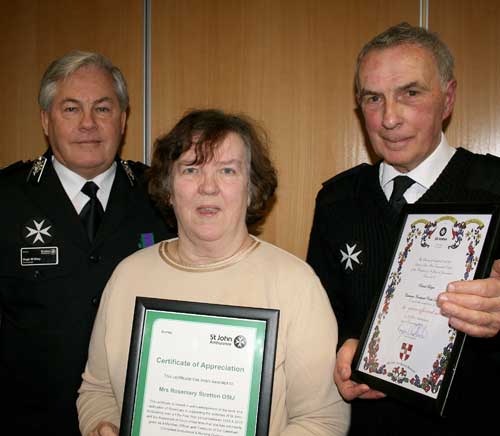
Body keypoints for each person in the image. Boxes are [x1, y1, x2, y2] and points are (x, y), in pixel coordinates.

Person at [76, 109, 350, 436]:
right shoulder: (128, 276)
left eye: (227, 170)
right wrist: (100, 425)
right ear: (167, 187)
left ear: (251, 188)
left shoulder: (296, 285)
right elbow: (97, 390)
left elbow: (322, 421)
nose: (208, 187)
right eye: (191, 169)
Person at [307, 22, 500, 435]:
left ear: (447, 99)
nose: (389, 118)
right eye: (373, 98)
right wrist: (340, 351)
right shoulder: (336, 201)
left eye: (410, 94)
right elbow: (321, 317)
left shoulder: (497, 187)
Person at [0, 51, 173, 435]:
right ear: (46, 120)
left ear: (124, 119)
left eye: (103, 109)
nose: (88, 124)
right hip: (27, 419)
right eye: (71, 109)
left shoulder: (162, 196)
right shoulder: (6, 198)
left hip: (136, 418)